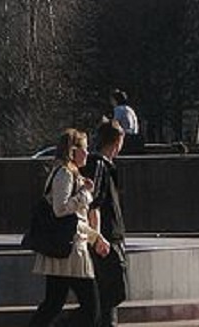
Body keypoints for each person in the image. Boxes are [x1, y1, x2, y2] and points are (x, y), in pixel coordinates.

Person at [29, 128, 109, 327]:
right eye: (84, 148)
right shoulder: (65, 173)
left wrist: (95, 237)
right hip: (70, 252)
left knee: (53, 304)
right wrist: (83, 194)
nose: (87, 153)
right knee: (91, 309)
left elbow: (76, 220)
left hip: (68, 250)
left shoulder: (70, 174)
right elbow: (60, 209)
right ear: (73, 150)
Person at [82, 120, 128, 326]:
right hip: (108, 238)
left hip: (110, 237)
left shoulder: (102, 165)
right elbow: (94, 204)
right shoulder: (99, 165)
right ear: (117, 141)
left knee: (109, 293)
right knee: (112, 291)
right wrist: (97, 237)